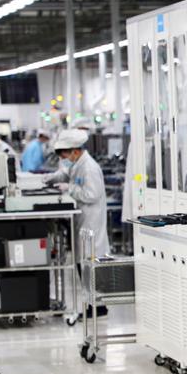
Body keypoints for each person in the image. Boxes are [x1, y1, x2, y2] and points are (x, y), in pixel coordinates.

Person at [44, 129, 110, 316]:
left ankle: (98, 307)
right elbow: (67, 174)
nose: (65, 159)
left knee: (90, 264)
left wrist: (70, 188)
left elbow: (92, 194)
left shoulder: (89, 167)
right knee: (84, 262)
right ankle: (94, 305)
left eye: (65, 155)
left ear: (75, 151)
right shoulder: (78, 164)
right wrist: (53, 178)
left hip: (91, 221)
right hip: (83, 220)